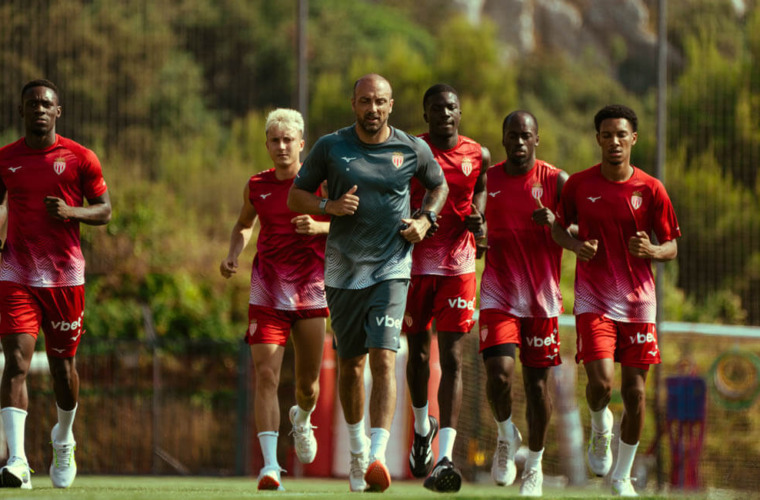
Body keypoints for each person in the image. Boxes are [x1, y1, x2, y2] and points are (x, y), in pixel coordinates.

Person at [288, 74, 449, 493]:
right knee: (351, 365)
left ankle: (377, 454)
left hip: (392, 268)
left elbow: (439, 185)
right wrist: (329, 206)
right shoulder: (330, 147)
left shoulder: (411, 148)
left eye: (380, 102)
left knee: (384, 356)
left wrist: (425, 219)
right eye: (365, 101)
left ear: (391, 105)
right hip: (343, 273)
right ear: (353, 104)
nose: (372, 109)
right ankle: (358, 450)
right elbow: (296, 196)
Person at [551, 104, 680, 497]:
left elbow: (671, 245)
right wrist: (576, 245)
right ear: (598, 139)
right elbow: (557, 228)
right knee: (602, 383)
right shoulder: (579, 185)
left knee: (636, 393)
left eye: (621, 134)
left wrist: (652, 250)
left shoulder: (651, 189)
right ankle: (600, 424)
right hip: (594, 301)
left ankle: (622, 477)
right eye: (607, 135)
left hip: (639, 304)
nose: (614, 142)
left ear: (633, 139)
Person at [0, 79, 112, 489]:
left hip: (65, 278)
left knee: (64, 371)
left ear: (57, 111)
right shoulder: (5, 158)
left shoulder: (80, 158)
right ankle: (17, 461)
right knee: (16, 363)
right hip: (16, 274)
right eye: (32, 103)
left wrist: (71, 212)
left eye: (46, 104)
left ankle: (63, 439)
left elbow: (105, 210)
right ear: (21, 110)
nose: (40, 109)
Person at [219, 108, 329, 491]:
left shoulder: (320, 183)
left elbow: (349, 222)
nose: (282, 146)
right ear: (267, 144)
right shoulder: (256, 185)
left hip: (311, 291)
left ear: (302, 144)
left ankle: (303, 418)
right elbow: (243, 224)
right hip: (266, 292)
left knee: (308, 386)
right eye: (275, 140)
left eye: (288, 140)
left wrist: (319, 226)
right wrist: (233, 253)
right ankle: (270, 467)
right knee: (266, 375)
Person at [403, 84, 489, 493]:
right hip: (414, 263)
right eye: (436, 108)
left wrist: (479, 218)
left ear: (460, 112)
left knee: (453, 357)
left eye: (451, 107)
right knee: (419, 353)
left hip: (459, 265)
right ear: (426, 114)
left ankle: (445, 458)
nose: (445, 113)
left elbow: (481, 189)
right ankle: (423, 428)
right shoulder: (410, 151)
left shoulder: (477, 153)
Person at [477, 110, 569, 497]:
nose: (518, 142)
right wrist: (477, 232)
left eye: (525, 135)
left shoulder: (557, 180)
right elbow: (476, 227)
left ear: (536, 139)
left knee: (536, 387)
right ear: (503, 139)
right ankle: (505, 434)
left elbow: (580, 231)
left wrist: (556, 223)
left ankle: (534, 465)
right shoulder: (489, 179)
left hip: (541, 300)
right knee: (499, 375)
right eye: (512, 135)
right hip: (498, 294)